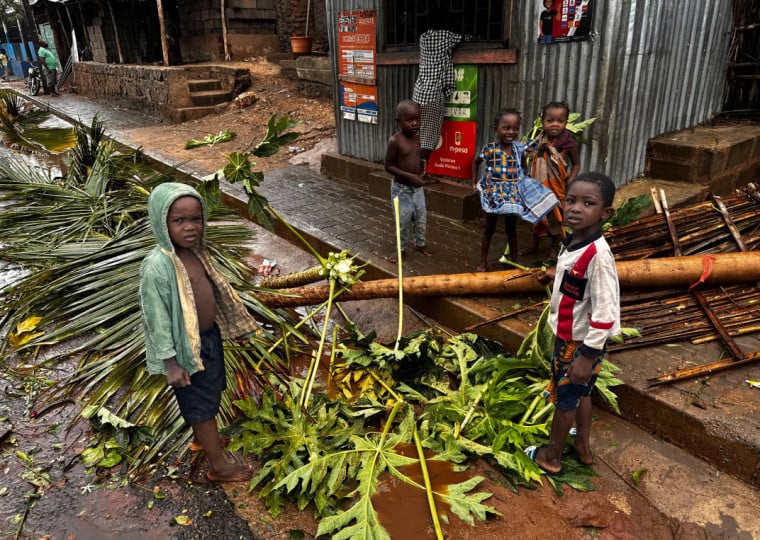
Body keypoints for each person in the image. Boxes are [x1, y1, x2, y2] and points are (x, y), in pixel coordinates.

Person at [139, 182, 258, 482]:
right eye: (179, 221)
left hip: (208, 339)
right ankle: (219, 467)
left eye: (196, 219)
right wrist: (171, 362)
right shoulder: (158, 266)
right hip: (185, 350)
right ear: (161, 222)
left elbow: (216, 292)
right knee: (201, 403)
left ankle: (203, 440)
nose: (190, 227)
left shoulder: (196, 252)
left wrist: (236, 327)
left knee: (212, 391)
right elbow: (157, 319)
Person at [525, 172, 620, 475]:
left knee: (565, 399)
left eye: (588, 203)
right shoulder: (575, 240)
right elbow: (579, 282)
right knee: (582, 393)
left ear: (605, 213)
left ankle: (551, 456)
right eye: (571, 200)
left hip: (578, 344)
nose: (576, 208)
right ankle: (583, 447)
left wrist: (587, 356)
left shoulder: (598, 256)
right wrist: (556, 275)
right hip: (573, 339)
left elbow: (606, 312)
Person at [472, 108, 558, 272]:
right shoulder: (490, 148)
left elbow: (524, 166)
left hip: (512, 195)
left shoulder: (519, 148)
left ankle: (514, 260)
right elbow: (476, 162)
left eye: (515, 128)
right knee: (489, 228)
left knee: (511, 228)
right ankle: (483, 262)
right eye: (506, 128)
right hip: (494, 193)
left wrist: (524, 182)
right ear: (496, 128)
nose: (511, 132)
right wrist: (474, 182)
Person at [522, 101, 581, 258]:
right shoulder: (537, 141)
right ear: (543, 122)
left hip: (558, 188)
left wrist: (571, 180)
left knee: (556, 219)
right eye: (550, 121)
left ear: (566, 123)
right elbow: (525, 155)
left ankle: (553, 249)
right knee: (537, 219)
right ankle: (535, 246)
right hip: (538, 188)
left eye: (560, 121)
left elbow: (576, 164)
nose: (555, 124)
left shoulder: (568, 144)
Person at [412, 6, 465, 163]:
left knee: (417, 134)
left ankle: (414, 168)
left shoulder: (423, 38)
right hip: (434, 95)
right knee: (428, 137)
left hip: (419, 93)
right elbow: (464, 38)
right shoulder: (446, 36)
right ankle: (421, 174)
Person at [385, 100, 433, 262]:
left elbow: (417, 157)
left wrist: (422, 166)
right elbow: (389, 167)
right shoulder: (395, 141)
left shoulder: (417, 138)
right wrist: (411, 176)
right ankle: (401, 250)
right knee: (402, 221)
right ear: (399, 122)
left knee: (421, 218)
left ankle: (420, 244)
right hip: (401, 189)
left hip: (417, 189)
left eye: (417, 119)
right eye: (409, 120)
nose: (415, 123)